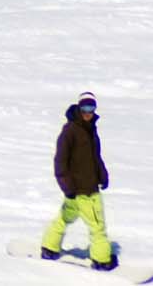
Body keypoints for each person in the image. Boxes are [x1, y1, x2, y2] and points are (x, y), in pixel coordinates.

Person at [40, 91, 115, 270]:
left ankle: (49, 247)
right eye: (85, 108)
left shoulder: (90, 129)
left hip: (80, 189)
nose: (88, 112)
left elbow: (95, 157)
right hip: (82, 190)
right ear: (79, 108)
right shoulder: (70, 131)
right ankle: (102, 260)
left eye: (91, 108)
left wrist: (103, 175)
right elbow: (60, 161)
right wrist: (67, 186)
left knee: (64, 217)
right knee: (97, 226)